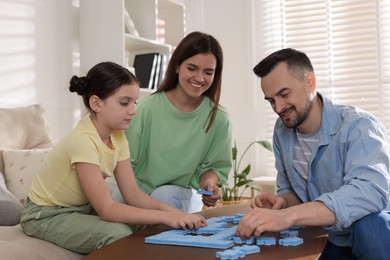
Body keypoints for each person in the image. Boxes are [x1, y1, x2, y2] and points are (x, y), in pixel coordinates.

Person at [20, 62, 206, 254]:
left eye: (135, 102)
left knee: (147, 225)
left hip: (81, 209)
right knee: (118, 232)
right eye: (124, 103)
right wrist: (166, 217)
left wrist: (175, 214)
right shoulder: (83, 141)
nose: (133, 111)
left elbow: (132, 194)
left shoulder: (117, 137)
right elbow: (107, 209)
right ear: (96, 103)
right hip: (45, 216)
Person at [236, 48, 390, 259]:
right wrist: (281, 204)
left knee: (372, 225)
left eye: (284, 94)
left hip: (371, 235)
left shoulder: (360, 126)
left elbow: (369, 193)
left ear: (310, 82)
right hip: (330, 237)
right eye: (271, 100)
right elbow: (291, 191)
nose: (278, 108)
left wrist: (288, 216)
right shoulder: (282, 132)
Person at [112, 31, 232, 213]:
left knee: (165, 195)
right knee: (119, 197)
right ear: (177, 66)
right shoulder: (146, 109)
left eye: (208, 72)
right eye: (192, 68)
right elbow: (127, 164)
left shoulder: (219, 118)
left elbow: (214, 168)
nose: (200, 78)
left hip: (181, 193)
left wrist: (209, 184)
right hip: (139, 189)